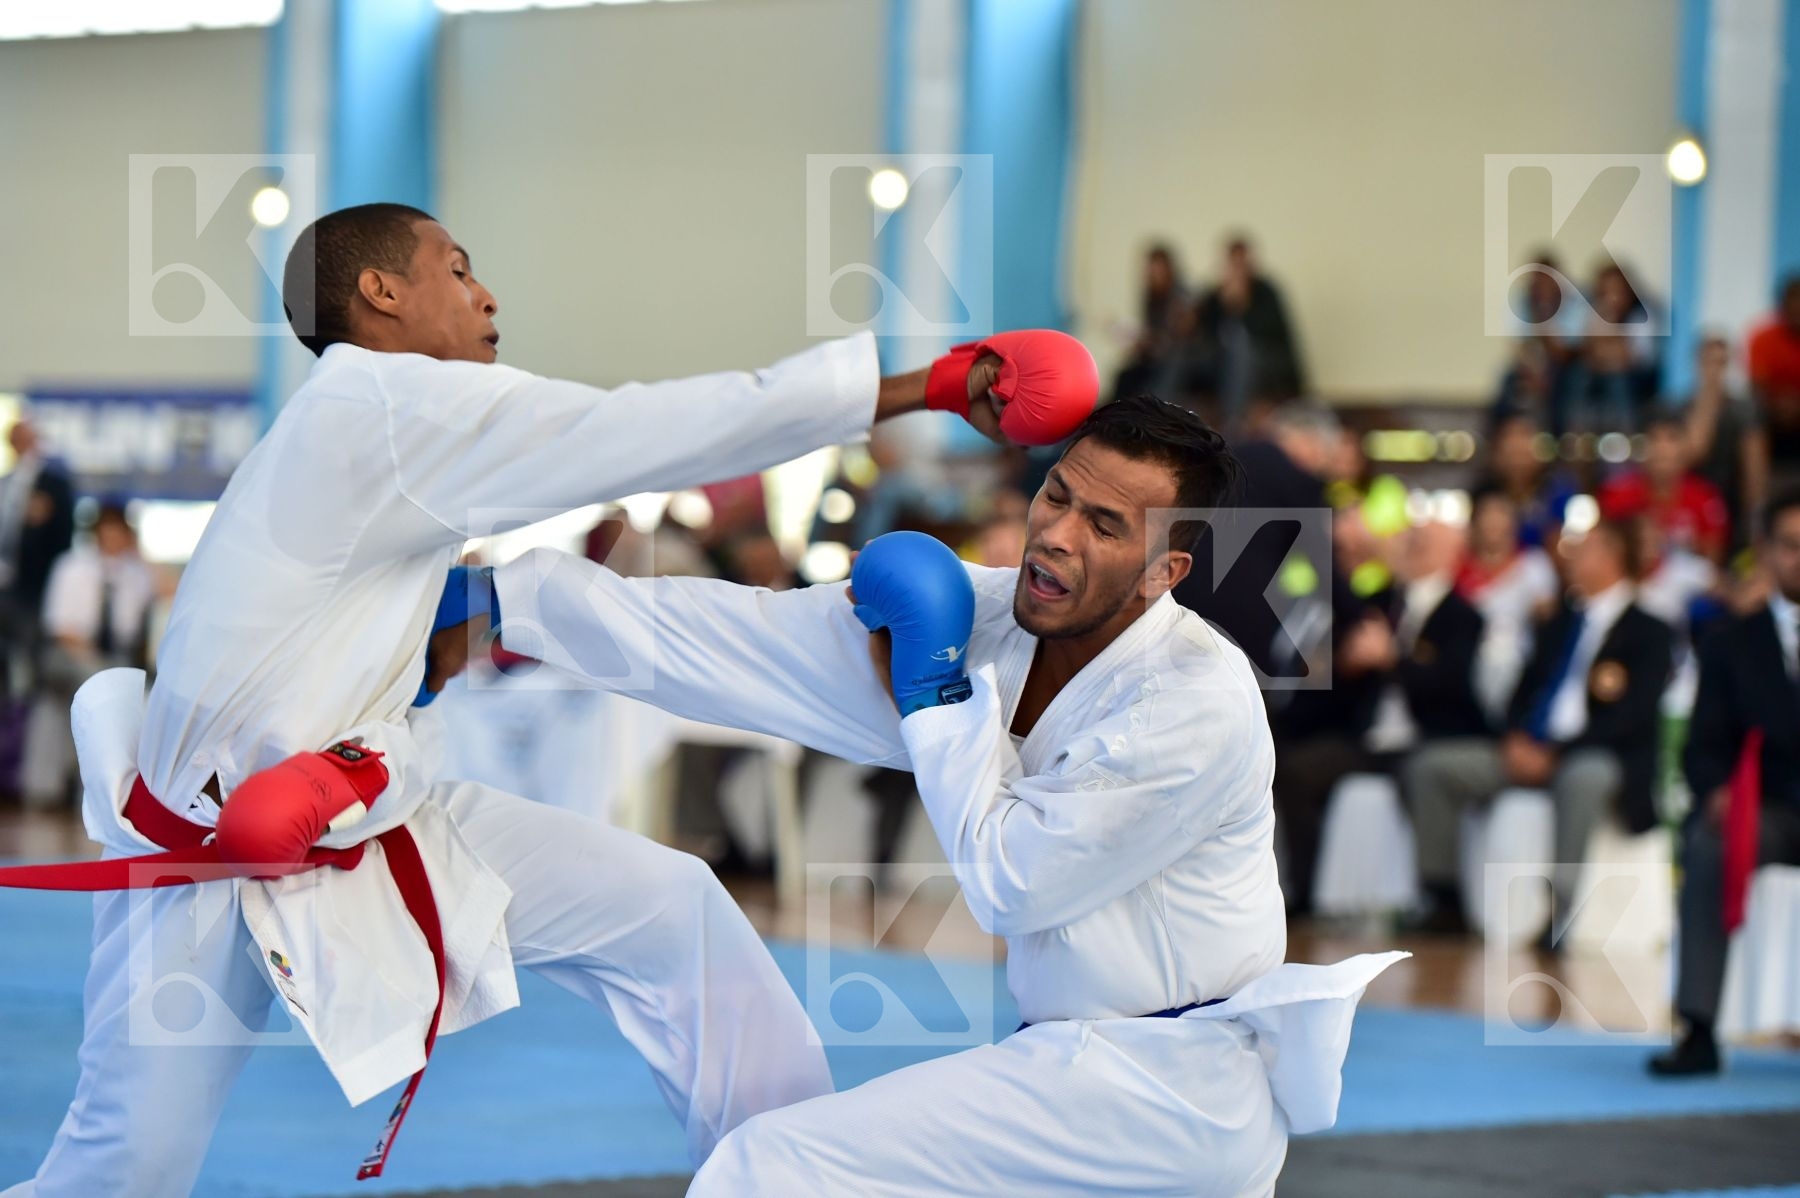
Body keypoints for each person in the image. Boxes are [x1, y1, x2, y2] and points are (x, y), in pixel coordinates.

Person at [0, 202, 1098, 1197]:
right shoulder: (384, 403)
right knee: (122, 1163)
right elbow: (662, 425)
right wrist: (930, 385)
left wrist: (459, 635)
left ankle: (788, 1179)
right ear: (380, 294)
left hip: (364, 823)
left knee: (673, 910)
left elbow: (356, 638)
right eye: (458, 267)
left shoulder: (376, 433)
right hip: (205, 854)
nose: (488, 295)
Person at [484, 395, 1403, 1196]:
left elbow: (1014, 881)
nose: (1058, 533)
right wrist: (508, 605)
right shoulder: (991, 617)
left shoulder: (1194, 699)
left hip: (1168, 1092)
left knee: (770, 1171)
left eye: (1106, 526)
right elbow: (750, 643)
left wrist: (935, 696)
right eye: (1058, 496)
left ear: (1166, 572)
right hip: (1080, 1071)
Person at [1404, 519, 1673, 940]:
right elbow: (1523, 691)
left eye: (1583, 549)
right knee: (1432, 768)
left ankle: (1561, 912)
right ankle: (1445, 899)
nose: (1571, 558)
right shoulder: (1559, 622)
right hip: (1531, 748)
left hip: (1597, 753)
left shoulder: (1651, 630)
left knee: (1584, 778)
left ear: (1613, 556)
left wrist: (1560, 752)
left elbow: (1632, 716)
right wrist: (1514, 738)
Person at [1651, 489, 1800, 1076]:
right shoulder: (1730, 644)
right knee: (1709, 842)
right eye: (1790, 546)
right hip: (1764, 812)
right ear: (1766, 552)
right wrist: (1717, 792)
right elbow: (1703, 749)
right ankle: (1700, 1028)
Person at [20, 502, 157, 809]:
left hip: (115, 660)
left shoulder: (135, 574)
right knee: (101, 684)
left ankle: (110, 787)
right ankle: (91, 790)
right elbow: (60, 629)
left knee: (125, 685)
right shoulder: (71, 566)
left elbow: (170, 588)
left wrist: (141, 555)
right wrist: (102, 667)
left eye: (119, 533)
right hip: (67, 654)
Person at [0, 417, 75, 696]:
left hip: (35, 585)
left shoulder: (53, 484)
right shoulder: (6, 481)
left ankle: (26, 714)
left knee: (32, 654)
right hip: (5, 581)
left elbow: (63, 535)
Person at [1598, 413, 1730, 565]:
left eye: (1671, 438)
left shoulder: (1705, 499)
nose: (1662, 448)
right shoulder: (1617, 495)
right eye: (1654, 439)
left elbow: (1711, 563)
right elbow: (1604, 552)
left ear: (1685, 447)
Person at [1684, 335, 1767, 554]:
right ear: (1697, 363)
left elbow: (1755, 473)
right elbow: (1695, 450)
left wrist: (1754, 520)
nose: (1714, 369)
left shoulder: (1744, 410)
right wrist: (1709, 398)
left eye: (1720, 362)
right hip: (1691, 505)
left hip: (1733, 503)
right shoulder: (1678, 409)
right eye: (1709, 361)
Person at [1746, 275, 1800, 489]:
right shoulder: (1763, 337)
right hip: (1770, 413)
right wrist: (1780, 406)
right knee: (1749, 415)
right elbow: (1757, 386)